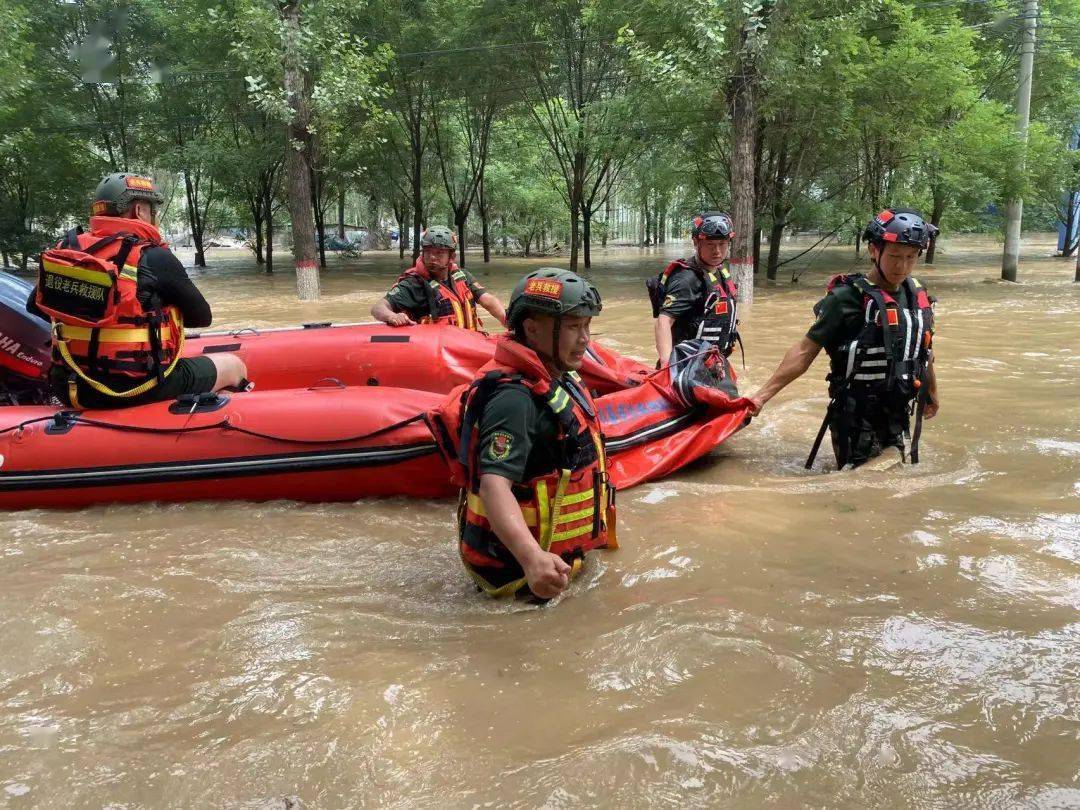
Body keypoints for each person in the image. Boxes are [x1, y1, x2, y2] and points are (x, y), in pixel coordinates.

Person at [434, 268, 616, 600]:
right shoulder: (513, 399)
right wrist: (532, 559)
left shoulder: (557, 375)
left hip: (553, 565)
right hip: (520, 578)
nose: (585, 339)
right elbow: (494, 486)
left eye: (587, 326)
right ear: (532, 330)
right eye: (574, 327)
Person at [30, 173, 247, 409]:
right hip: (130, 389)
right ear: (139, 210)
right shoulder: (153, 256)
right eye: (152, 209)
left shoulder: (66, 250)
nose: (155, 216)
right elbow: (202, 317)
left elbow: (35, 305)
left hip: (69, 386)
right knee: (234, 366)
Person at [750, 208, 940, 469]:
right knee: (862, 483)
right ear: (874, 250)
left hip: (896, 409)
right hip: (855, 415)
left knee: (893, 483)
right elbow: (804, 351)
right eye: (894, 256)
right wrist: (761, 397)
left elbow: (922, 349)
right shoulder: (845, 298)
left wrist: (931, 391)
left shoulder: (916, 294)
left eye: (910, 258)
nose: (902, 266)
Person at [649, 211, 741, 365]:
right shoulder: (687, 279)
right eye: (710, 244)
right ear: (696, 243)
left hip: (710, 364)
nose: (717, 251)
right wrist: (667, 367)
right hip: (685, 367)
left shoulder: (718, 271)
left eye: (722, 244)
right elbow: (663, 322)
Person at [370, 225, 506, 329]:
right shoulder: (414, 284)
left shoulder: (463, 276)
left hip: (466, 347)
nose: (432, 258)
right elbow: (378, 307)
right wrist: (392, 316)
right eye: (428, 252)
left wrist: (506, 320)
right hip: (437, 354)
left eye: (439, 253)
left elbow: (488, 300)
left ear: (451, 257)